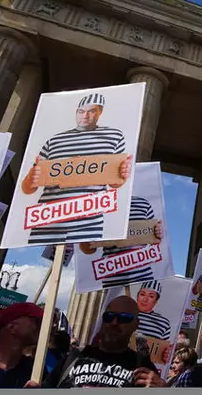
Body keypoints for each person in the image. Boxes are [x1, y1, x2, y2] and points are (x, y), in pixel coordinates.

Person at [22, 92, 132, 245]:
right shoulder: (54, 141)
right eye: (81, 111)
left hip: (89, 225)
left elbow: (114, 183)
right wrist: (31, 178)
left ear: (100, 112)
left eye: (91, 111)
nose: (85, 115)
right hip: (47, 223)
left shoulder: (114, 136)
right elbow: (27, 188)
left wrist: (122, 175)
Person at [43, 296, 162, 388]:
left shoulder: (142, 366)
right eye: (109, 316)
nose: (114, 323)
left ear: (136, 325)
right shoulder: (75, 356)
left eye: (124, 317)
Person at [78, 195, 163, 288]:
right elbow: (86, 248)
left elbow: (153, 241)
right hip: (112, 277)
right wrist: (87, 240)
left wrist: (158, 234)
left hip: (143, 276)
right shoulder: (99, 205)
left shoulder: (143, 203)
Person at [133, 281, 173, 365]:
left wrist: (166, 354)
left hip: (143, 370)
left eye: (151, 296)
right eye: (142, 294)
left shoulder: (164, 323)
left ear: (156, 301)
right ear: (137, 296)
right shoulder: (124, 313)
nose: (145, 299)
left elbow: (163, 353)